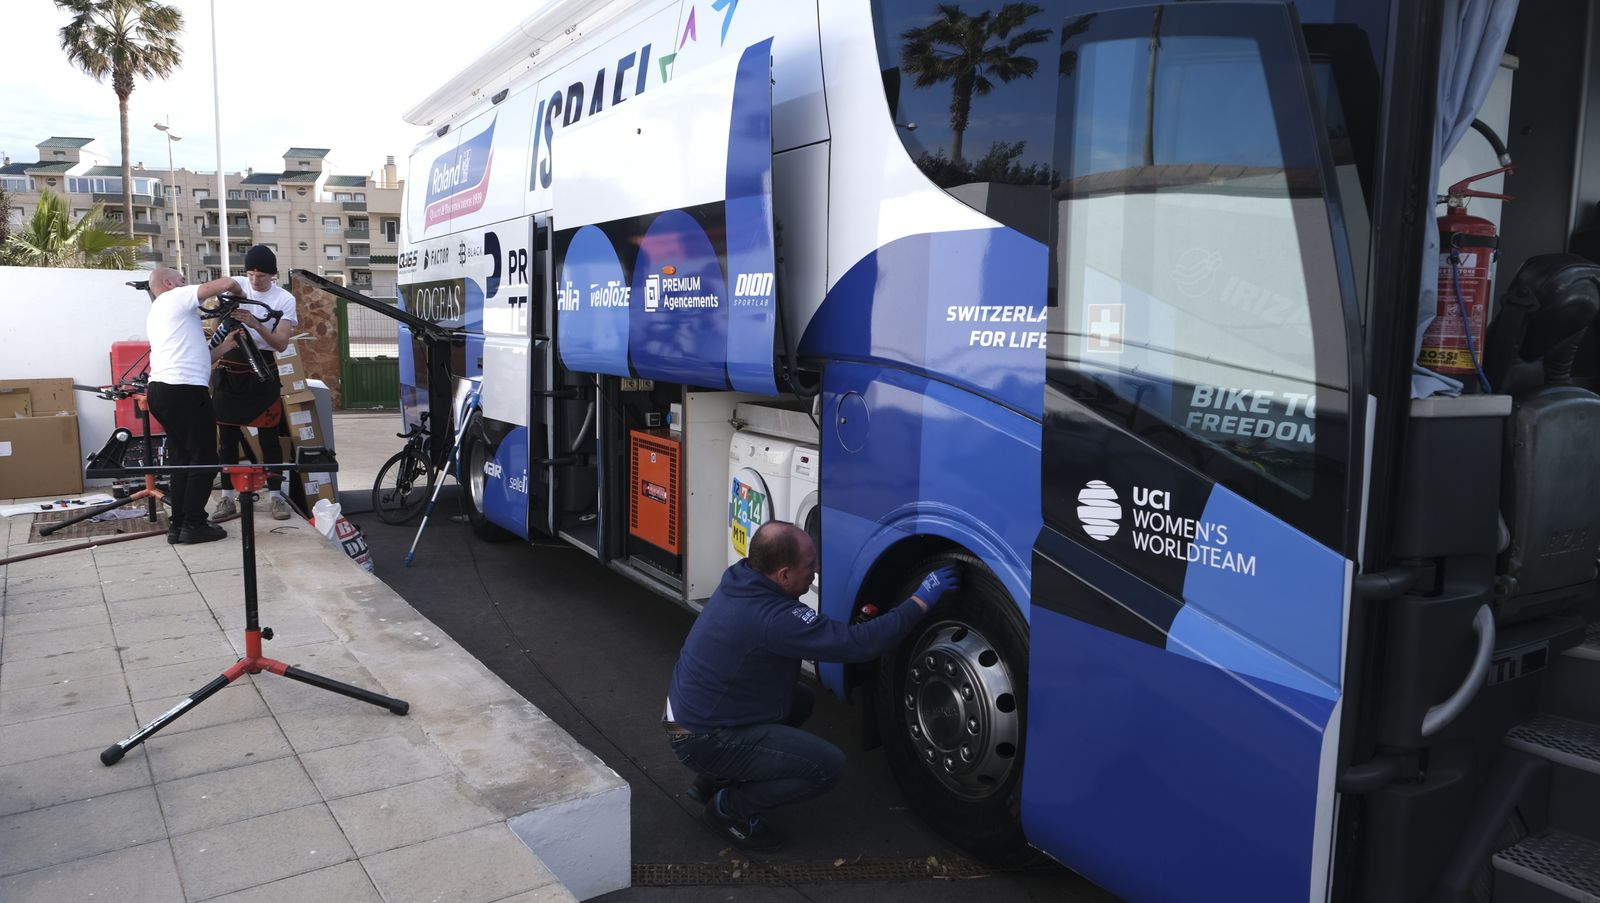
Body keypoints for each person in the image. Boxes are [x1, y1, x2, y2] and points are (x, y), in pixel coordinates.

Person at [664, 520, 961, 851]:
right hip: (700, 738)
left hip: (685, 719)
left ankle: (714, 778)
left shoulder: (742, 576)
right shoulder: (773, 619)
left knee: (799, 700)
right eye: (810, 564)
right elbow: (860, 644)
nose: (817, 569)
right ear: (784, 575)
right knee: (827, 766)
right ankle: (729, 809)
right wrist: (920, 600)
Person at [143, 267, 249, 544]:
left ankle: (178, 524)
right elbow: (225, 283)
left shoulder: (164, 312)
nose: (185, 284)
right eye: (181, 280)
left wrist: (225, 347)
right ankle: (194, 524)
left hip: (164, 390)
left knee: (183, 460)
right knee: (204, 460)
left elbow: (199, 356)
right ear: (168, 283)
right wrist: (239, 293)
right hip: (185, 391)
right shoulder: (174, 297)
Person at [211, 245, 298, 521]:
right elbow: (216, 326)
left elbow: (281, 343)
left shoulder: (284, 299)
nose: (255, 280)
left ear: (272, 275)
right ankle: (226, 498)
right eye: (250, 273)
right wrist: (224, 328)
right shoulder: (235, 289)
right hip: (231, 364)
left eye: (261, 275)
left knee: (270, 437)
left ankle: (276, 496)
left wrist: (256, 324)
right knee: (227, 438)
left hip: (262, 366)